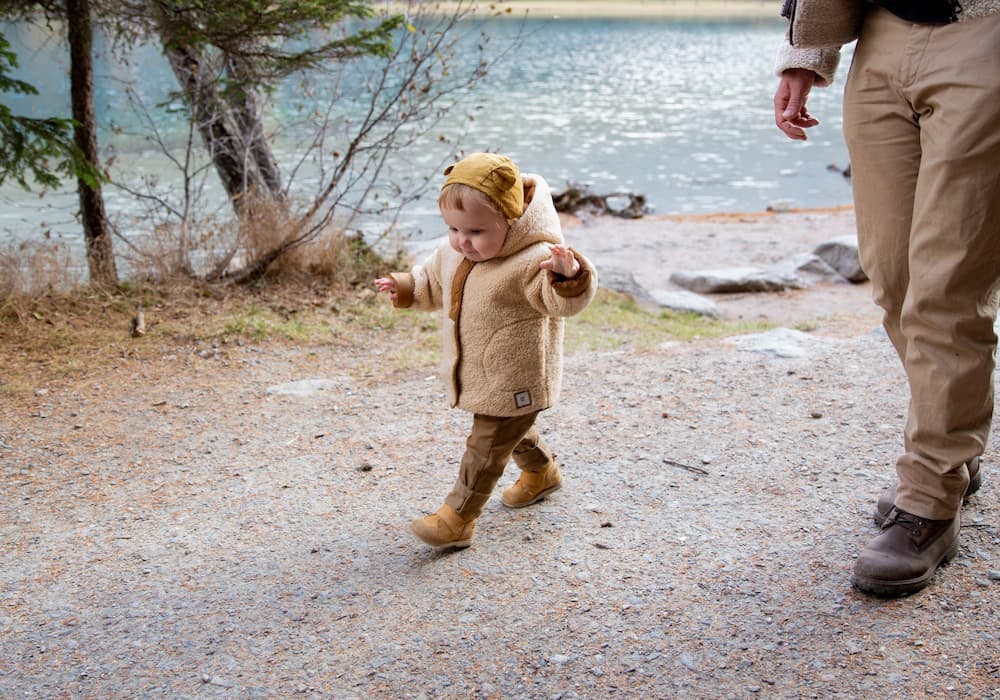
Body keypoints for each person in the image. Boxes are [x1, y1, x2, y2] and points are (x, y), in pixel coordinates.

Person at [773, 1, 999, 597]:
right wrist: (806, 56)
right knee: (893, 275)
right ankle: (953, 444)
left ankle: (929, 496)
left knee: (946, 287)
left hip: (985, 32)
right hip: (881, 37)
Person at [375, 152, 598, 548]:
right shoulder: (456, 253)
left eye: (476, 231)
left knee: (486, 446)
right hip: (485, 373)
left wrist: (569, 276)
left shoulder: (534, 260)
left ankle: (457, 519)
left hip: (518, 375)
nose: (463, 240)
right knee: (510, 431)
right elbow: (432, 281)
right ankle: (542, 475)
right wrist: (406, 285)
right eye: (453, 228)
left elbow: (561, 302)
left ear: (511, 223)